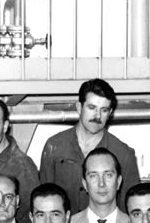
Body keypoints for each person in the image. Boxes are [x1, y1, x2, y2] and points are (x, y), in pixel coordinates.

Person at [39, 79, 140, 214]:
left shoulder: (123, 154)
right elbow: (44, 202)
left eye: (103, 110)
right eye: (92, 108)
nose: (97, 116)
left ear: (110, 113)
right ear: (79, 108)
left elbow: (131, 209)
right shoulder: (54, 146)